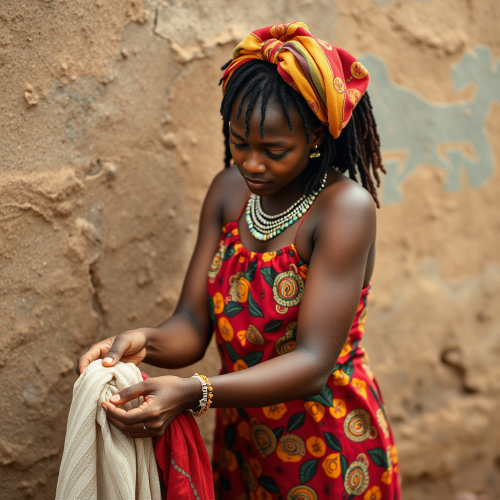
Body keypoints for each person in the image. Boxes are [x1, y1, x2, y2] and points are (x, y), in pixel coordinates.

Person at [77, 22, 400, 500]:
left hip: (328, 445)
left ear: (314, 136)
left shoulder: (343, 209)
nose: (251, 164)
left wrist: (194, 392)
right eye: (238, 142)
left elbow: (312, 364)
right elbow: (191, 323)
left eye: (274, 150)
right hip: (242, 439)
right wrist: (143, 341)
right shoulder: (228, 193)